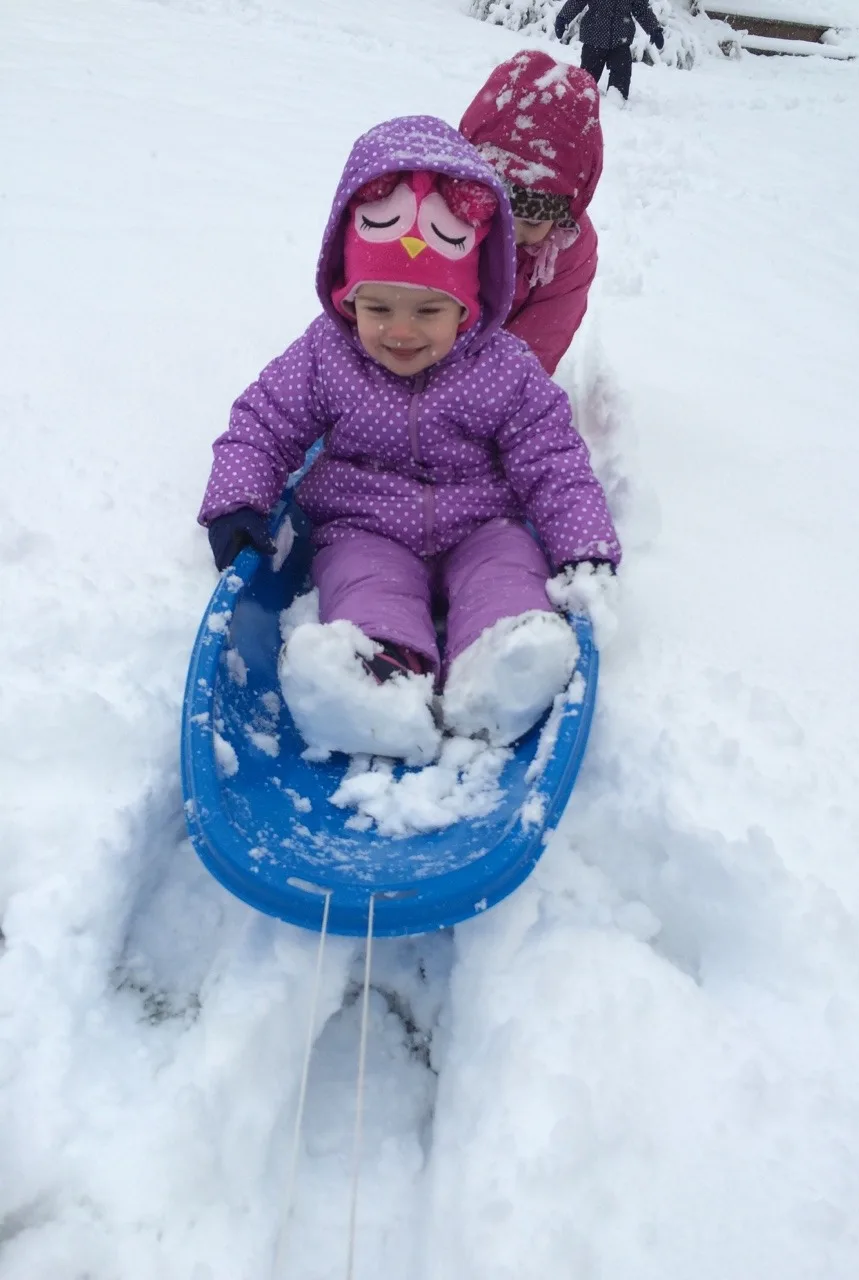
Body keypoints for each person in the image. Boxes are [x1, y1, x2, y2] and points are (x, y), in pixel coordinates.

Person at [198, 116, 621, 766]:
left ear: (468, 307)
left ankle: (497, 668)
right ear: (347, 300)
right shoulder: (325, 356)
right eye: (378, 309)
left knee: (507, 574)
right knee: (367, 588)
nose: (401, 332)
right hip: (363, 528)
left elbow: (551, 457)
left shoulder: (501, 366)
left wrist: (582, 546)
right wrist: (236, 500)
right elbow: (264, 421)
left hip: (482, 522)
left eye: (427, 311)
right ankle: (378, 688)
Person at [459, 50, 603, 377]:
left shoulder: (570, 251)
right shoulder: (438, 211)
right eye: (495, 212)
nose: (508, 234)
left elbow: (541, 340)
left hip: (497, 380)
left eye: (532, 220)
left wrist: (486, 394)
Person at [554, 0, 665, 103]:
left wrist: (654, 28)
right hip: (594, 38)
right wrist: (563, 17)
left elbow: (641, 8)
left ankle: (617, 110)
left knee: (620, 85)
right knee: (586, 83)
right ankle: (579, 105)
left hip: (621, 40)